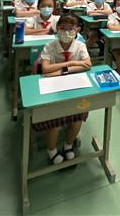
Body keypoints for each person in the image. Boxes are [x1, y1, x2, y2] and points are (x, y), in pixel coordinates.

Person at [36, 15, 92, 165]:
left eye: (70, 29)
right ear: (57, 29)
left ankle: (68, 145)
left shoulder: (80, 45)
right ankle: (51, 150)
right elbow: (45, 68)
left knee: (78, 117)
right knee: (55, 121)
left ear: (77, 30)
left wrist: (63, 70)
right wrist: (71, 64)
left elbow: (87, 64)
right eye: (62, 28)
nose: (66, 32)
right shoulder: (50, 46)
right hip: (53, 88)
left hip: (73, 86)